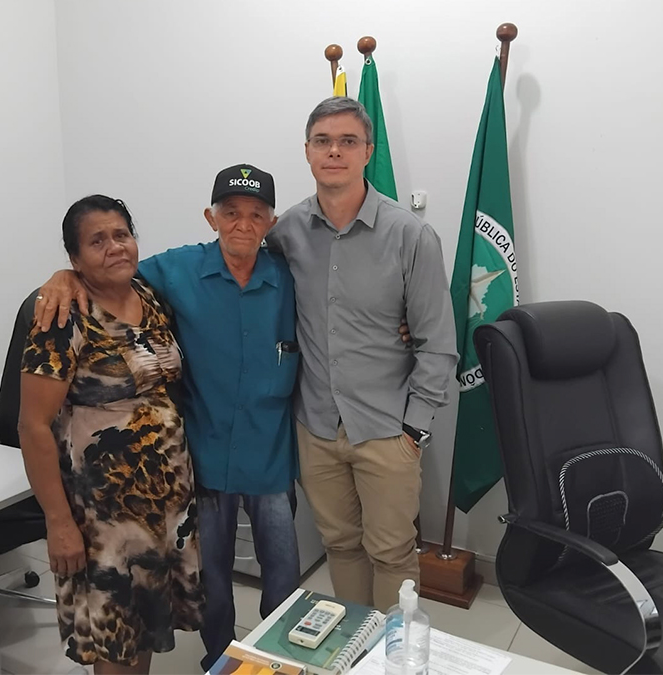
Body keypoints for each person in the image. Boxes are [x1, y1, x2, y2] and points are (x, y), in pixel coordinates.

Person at [33, 166, 301, 671]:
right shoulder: (174, 271)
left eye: (256, 214)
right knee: (211, 584)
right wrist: (62, 276)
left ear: (271, 222)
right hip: (202, 460)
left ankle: (281, 664)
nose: (242, 224)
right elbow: (107, 269)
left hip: (269, 458)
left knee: (284, 582)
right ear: (211, 218)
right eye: (230, 213)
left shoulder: (290, 277)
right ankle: (220, 662)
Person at [266, 96, 459, 611]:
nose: (335, 151)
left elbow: (438, 343)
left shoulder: (410, 235)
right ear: (307, 151)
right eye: (323, 141)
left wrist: (415, 428)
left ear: (368, 152)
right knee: (340, 546)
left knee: (392, 552)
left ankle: (392, 652)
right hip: (316, 426)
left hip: (387, 427)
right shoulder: (285, 233)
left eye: (348, 141)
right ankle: (355, 647)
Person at [18, 195, 204, 675]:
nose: (115, 247)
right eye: (97, 241)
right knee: (114, 637)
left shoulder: (148, 297)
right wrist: (58, 522)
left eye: (121, 234)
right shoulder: (63, 319)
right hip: (104, 515)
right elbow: (32, 426)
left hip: (163, 505)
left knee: (143, 626)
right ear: (75, 259)